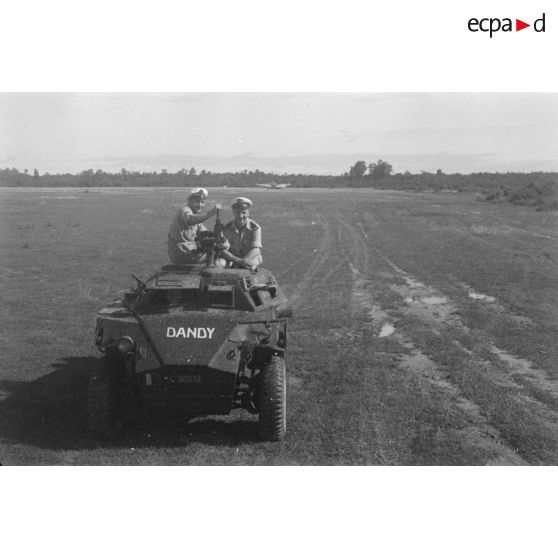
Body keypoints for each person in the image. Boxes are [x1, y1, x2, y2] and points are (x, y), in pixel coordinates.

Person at [167, 187, 221, 264]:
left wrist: (219, 235)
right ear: (189, 201)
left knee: (216, 249)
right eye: (197, 201)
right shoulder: (185, 210)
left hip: (187, 250)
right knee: (215, 256)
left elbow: (205, 232)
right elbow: (190, 220)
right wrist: (211, 213)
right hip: (181, 251)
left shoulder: (195, 216)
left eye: (202, 202)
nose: (200, 205)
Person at [216, 197, 263, 271]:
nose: (240, 216)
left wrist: (243, 261)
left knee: (249, 268)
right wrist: (237, 261)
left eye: (244, 212)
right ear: (233, 213)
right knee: (219, 264)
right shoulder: (226, 228)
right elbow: (223, 250)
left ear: (248, 213)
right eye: (237, 212)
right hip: (232, 258)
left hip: (250, 257)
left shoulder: (255, 228)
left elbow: (256, 249)